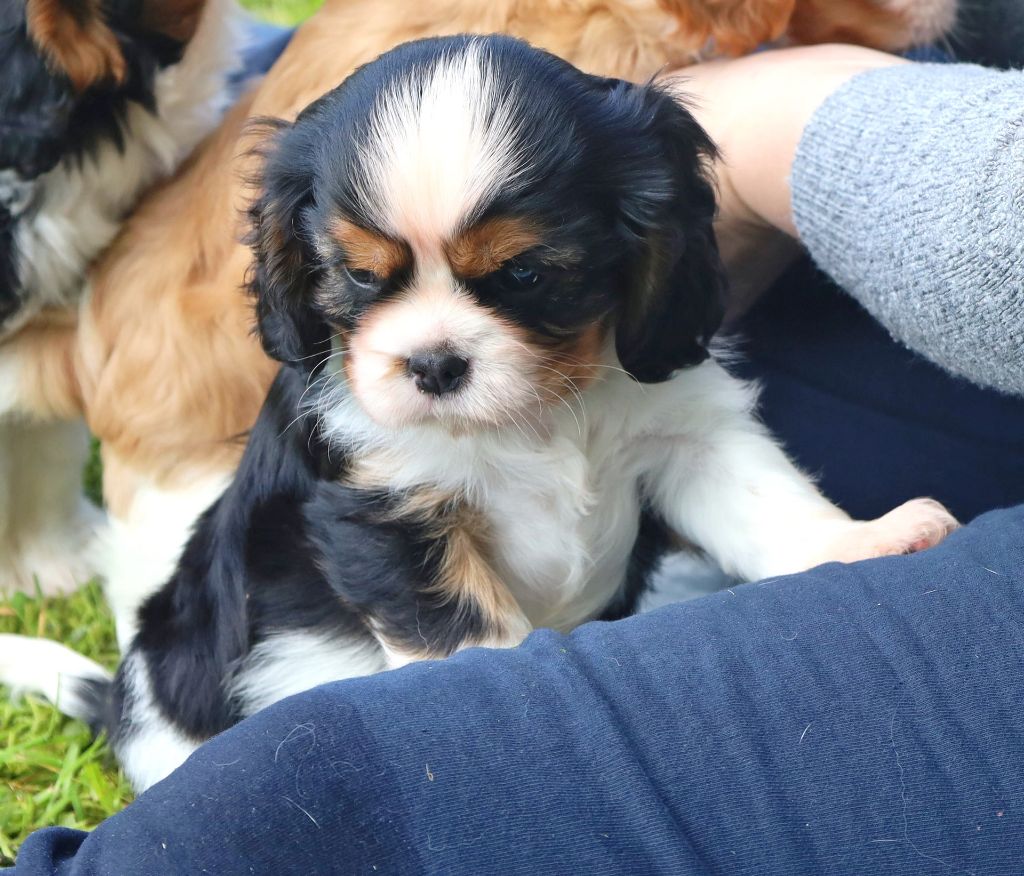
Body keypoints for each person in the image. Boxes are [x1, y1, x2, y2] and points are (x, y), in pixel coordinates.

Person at [6, 38, 1024, 876]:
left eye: (524, 276)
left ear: (644, 239)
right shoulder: (365, 423)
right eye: (365, 280)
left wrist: (824, 552)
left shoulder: (636, 338)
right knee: (194, 763)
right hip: (221, 714)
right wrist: (502, 727)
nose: (431, 345)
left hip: (538, 654)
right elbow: (401, 569)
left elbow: (703, 450)